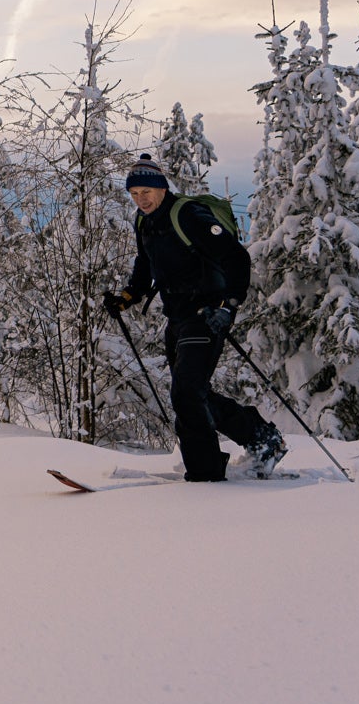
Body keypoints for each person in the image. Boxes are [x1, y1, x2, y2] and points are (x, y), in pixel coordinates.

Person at [102, 153, 286, 481]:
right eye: (134, 193)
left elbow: (236, 258)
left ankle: (205, 474)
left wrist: (229, 307)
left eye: (146, 191)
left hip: (207, 314)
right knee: (192, 393)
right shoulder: (144, 221)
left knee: (186, 391)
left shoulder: (189, 216)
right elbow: (145, 265)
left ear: (161, 189)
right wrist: (127, 297)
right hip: (177, 317)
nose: (140, 199)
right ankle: (261, 437)